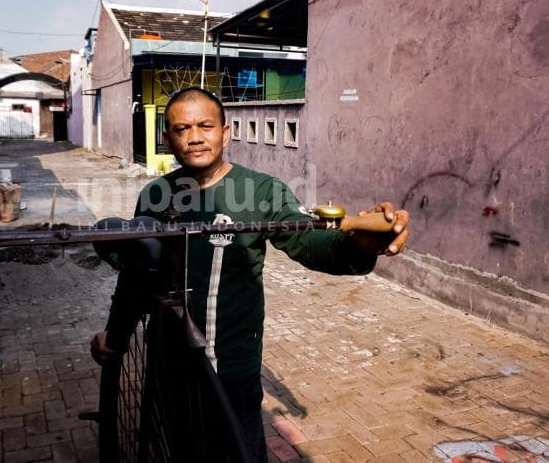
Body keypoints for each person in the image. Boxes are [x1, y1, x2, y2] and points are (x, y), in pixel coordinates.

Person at [91, 87, 410, 462]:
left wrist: (361, 243)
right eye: (181, 129)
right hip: (168, 360)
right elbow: (137, 272)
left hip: (233, 363)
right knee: (178, 449)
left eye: (205, 126)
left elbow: (310, 243)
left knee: (239, 451)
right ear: (167, 139)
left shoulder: (262, 192)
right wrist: (117, 334)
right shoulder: (155, 195)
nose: (194, 136)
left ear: (225, 133)